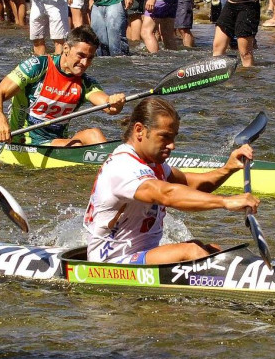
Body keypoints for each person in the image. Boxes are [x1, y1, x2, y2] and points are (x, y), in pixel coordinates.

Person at [83, 96, 260, 265]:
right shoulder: (123, 166)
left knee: (211, 249)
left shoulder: (151, 163)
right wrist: (225, 201)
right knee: (191, 251)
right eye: (165, 137)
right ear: (139, 130)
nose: (172, 145)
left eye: (173, 137)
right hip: (110, 263)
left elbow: (192, 185)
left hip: (139, 254)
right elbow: (167, 194)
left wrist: (227, 168)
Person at [0, 25, 126, 146]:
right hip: (24, 141)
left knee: (95, 134)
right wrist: (1, 121)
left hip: (58, 142)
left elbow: (110, 107)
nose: (85, 63)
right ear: (66, 48)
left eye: (90, 58)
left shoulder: (85, 83)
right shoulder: (38, 67)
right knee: (75, 145)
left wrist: (116, 102)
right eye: (80, 56)